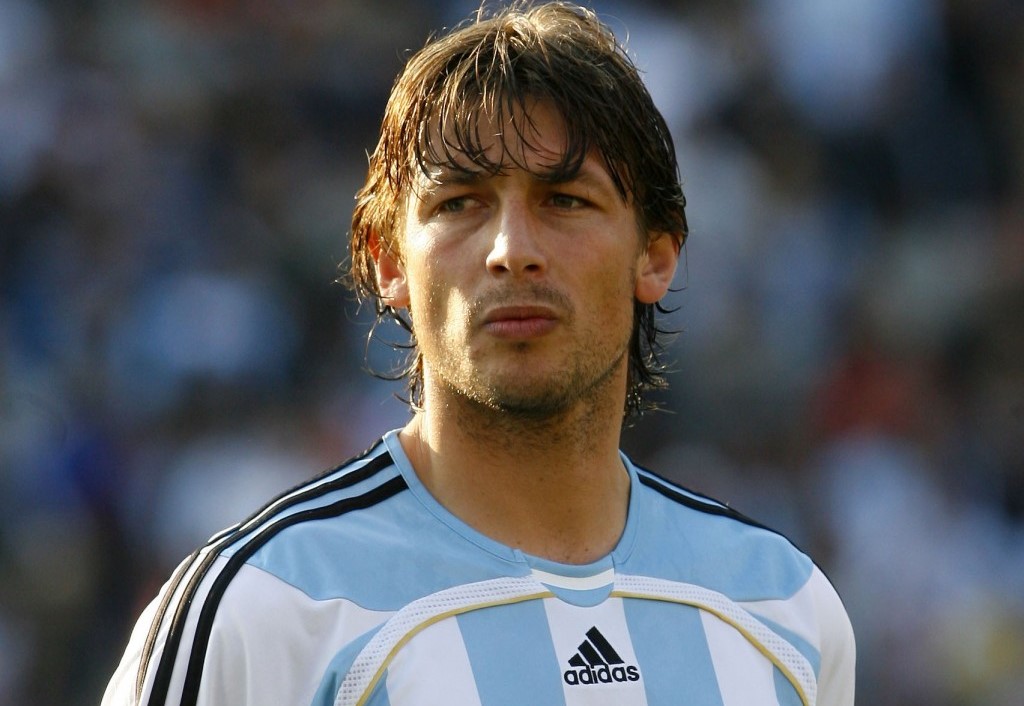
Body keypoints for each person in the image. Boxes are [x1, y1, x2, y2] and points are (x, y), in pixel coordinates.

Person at [102, 3, 856, 705]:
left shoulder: (785, 606)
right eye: (459, 203)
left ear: (655, 257)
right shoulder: (258, 607)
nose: (511, 250)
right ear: (389, 261)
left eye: (566, 200)